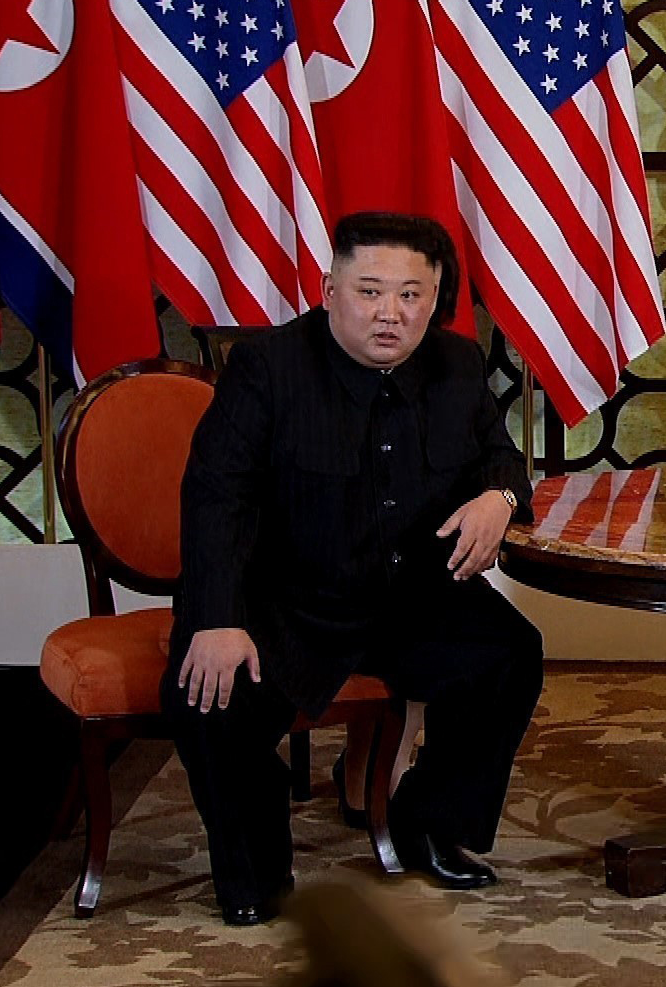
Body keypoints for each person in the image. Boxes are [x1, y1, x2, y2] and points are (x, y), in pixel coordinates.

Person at [162, 212, 544, 926]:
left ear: (434, 299)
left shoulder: (458, 364)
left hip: (409, 597)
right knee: (207, 695)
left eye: (411, 295)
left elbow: (502, 459)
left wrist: (499, 498)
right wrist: (217, 618)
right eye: (370, 291)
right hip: (289, 601)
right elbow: (217, 497)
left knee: (509, 653)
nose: (390, 313)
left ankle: (426, 826)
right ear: (329, 290)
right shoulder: (266, 368)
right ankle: (257, 866)